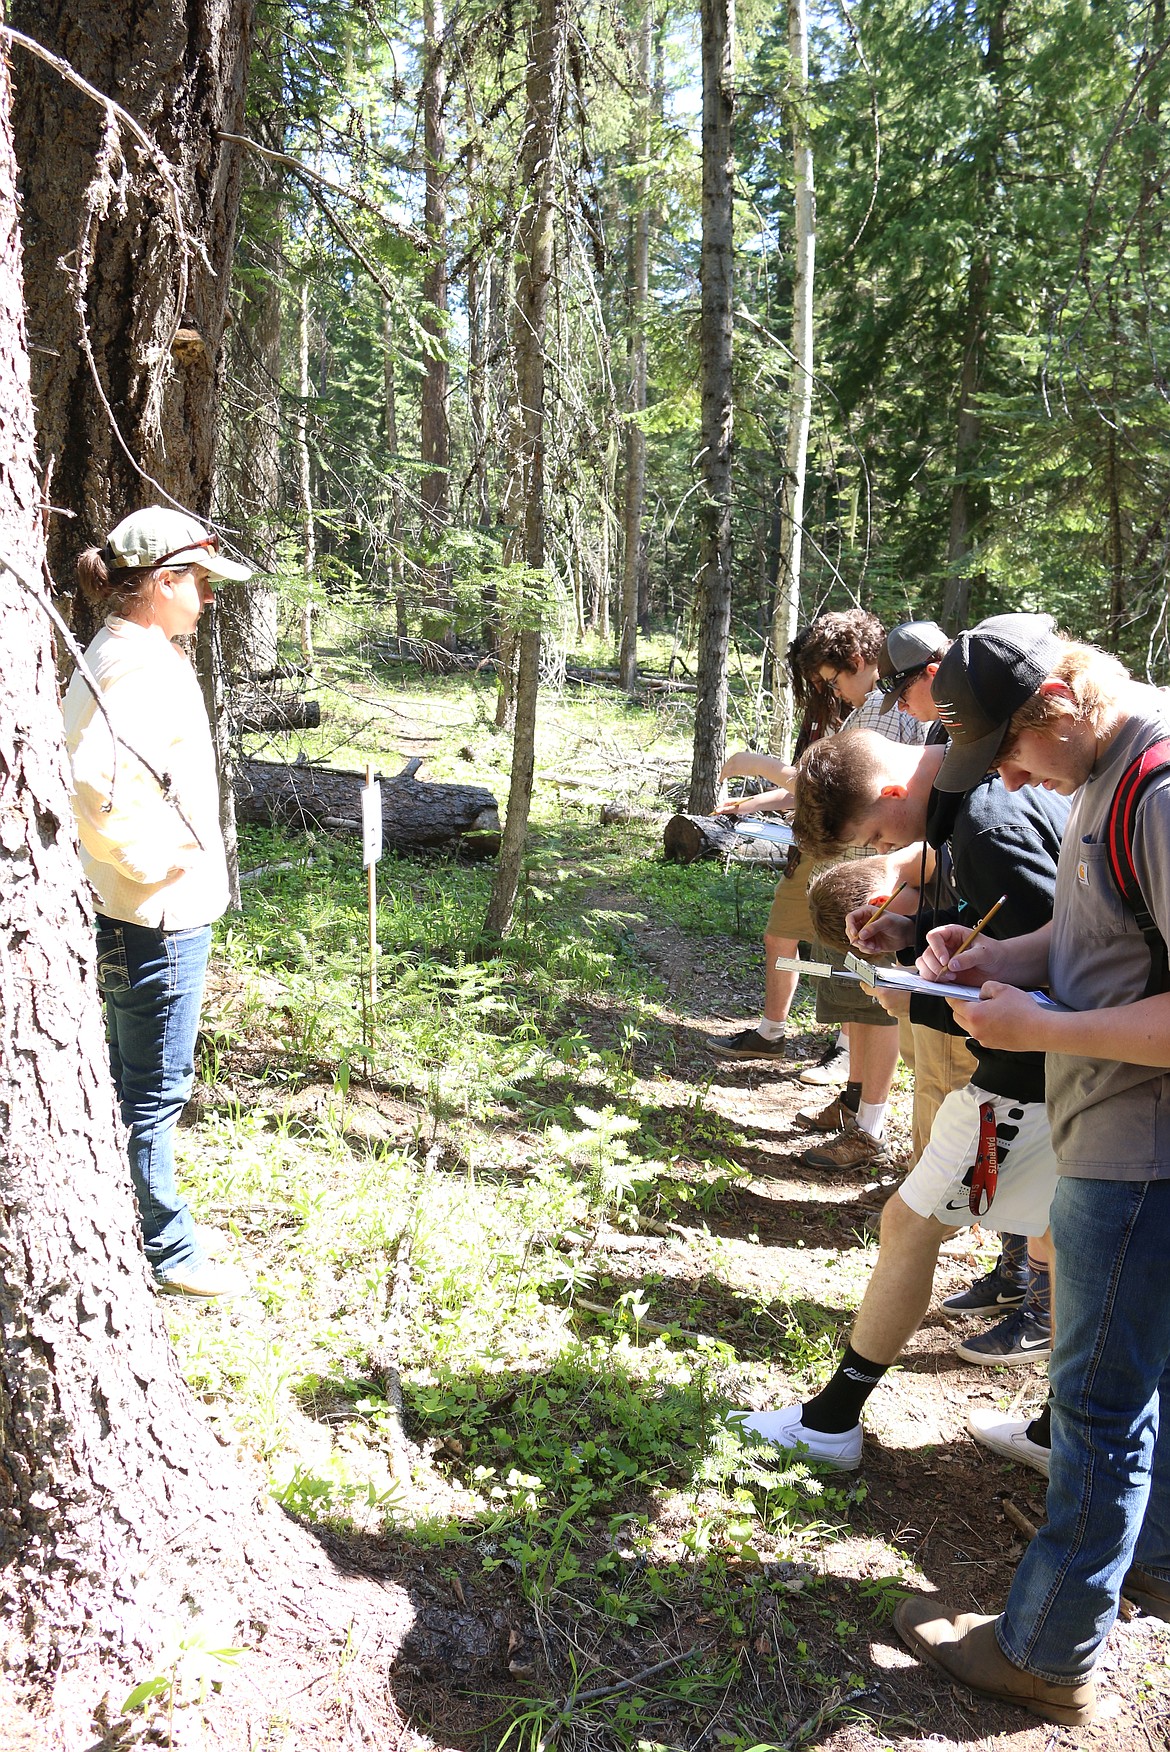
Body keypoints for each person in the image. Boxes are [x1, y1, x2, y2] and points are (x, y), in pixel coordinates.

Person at [888, 613, 1170, 1727]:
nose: (1003, 776)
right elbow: (1108, 939)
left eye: (1007, 751)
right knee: (1144, 1381)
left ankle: (1048, 1657)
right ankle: (1150, 1565)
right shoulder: (1102, 776)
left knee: (1096, 1404)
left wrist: (1048, 1030)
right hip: (1122, 1131)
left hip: (1141, 1151)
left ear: (1057, 706)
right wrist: (1001, 958)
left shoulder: (1153, 787)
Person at [64, 506, 252, 1299]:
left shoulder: (127, 649)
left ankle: (112, 1218)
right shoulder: (137, 663)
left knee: (126, 1076)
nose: (208, 600)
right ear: (163, 582)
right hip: (157, 915)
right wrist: (152, 864)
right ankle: (167, 1251)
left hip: (136, 907)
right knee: (153, 1091)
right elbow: (87, 781)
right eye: (200, 583)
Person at [707, 611, 926, 1163]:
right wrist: (763, 800)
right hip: (848, 867)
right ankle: (854, 1102)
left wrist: (763, 766)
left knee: (870, 993)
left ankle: (868, 1127)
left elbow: (846, 790)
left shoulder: (886, 710)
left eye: (831, 679)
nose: (830, 691)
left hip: (870, 871)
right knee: (849, 988)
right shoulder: (864, 710)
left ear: (857, 660)